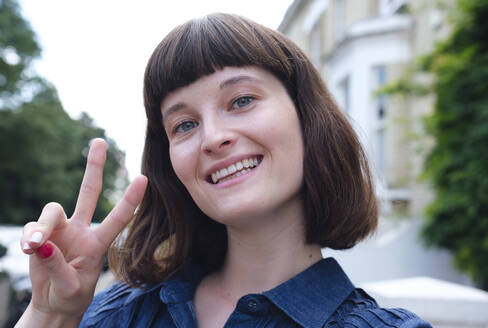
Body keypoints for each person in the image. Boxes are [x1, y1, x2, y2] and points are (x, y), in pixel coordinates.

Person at [15, 13, 432, 328]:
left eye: (242, 100)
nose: (213, 137)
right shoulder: (123, 314)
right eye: (185, 125)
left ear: (306, 117)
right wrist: (48, 315)